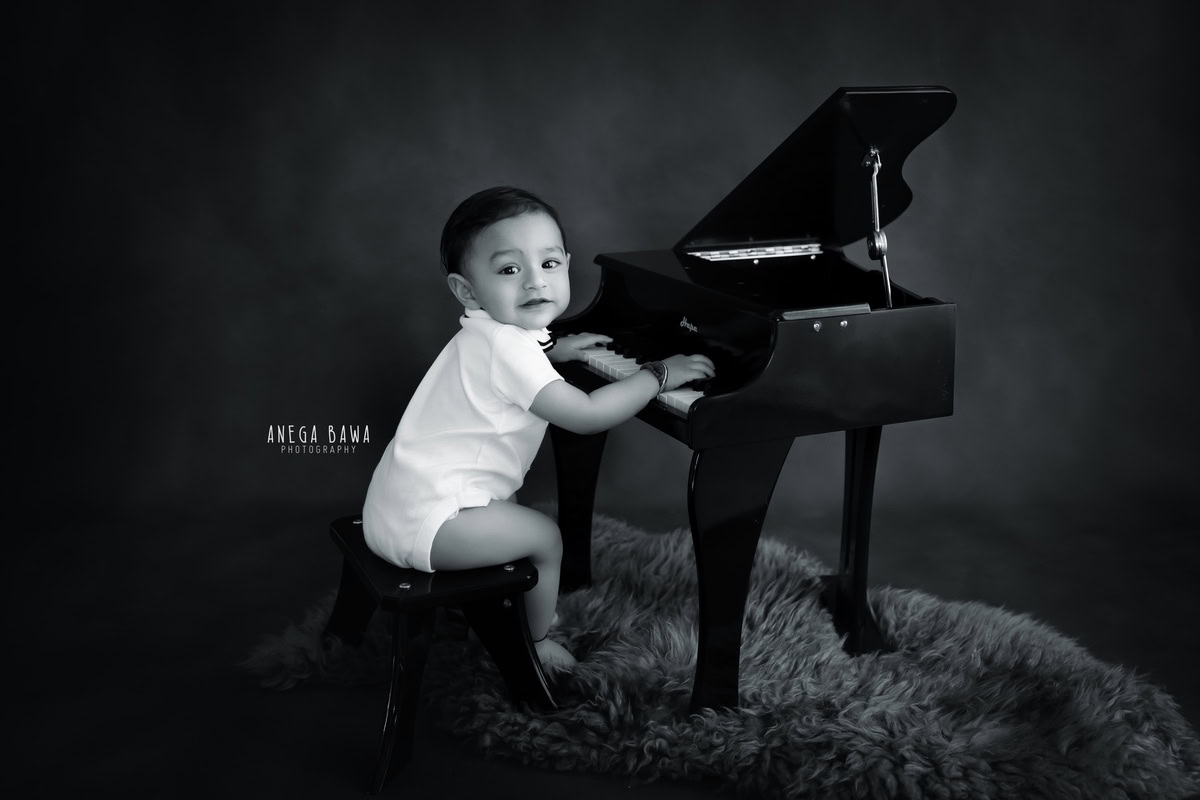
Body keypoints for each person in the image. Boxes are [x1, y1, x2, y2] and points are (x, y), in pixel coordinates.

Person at [362, 186, 715, 670]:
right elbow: (586, 416)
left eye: (549, 265)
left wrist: (556, 354)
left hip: (392, 508)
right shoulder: (510, 350)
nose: (534, 283)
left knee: (510, 518)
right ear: (466, 289)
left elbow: (511, 374)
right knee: (544, 537)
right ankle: (536, 640)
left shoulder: (490, 336)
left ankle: (494, 607)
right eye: (510, 270)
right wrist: (656, 376)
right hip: (430, 525)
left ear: (566, 264)